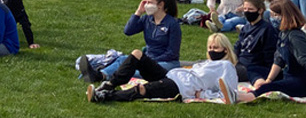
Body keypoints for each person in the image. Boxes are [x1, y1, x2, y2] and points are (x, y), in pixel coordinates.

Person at [86, 33, 237, 104]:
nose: (211, 50)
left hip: (181, 87)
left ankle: (105, 96)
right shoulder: (205, 63)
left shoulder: (227, 66)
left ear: (225, 50)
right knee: (137, 54)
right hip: (171, 75)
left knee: (143, 89)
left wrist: (204, 94)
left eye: (215, 47)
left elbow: (229, 91)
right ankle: (109, 84)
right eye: (209, 47)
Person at [79, 0, 181, 82]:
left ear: (160, 5)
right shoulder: (147, 19)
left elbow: (172, 53)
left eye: (149, 2)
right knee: (122, 60)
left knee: (137, 72)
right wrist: (138, 12)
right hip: (148, 58)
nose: (146, 5)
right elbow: (128, 31)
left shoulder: (172, 24)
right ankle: (101, 75)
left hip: (166, 62)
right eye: (145, 2)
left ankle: (106, 76)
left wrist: (150, 61)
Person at [237, 0, 306, 102]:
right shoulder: (282, 33)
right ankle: (258, 82)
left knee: (270, 87)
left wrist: (268, 84)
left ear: (284, 16)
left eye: (274, 15)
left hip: (300, 79)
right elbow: (278, 60)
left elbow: (304, 60)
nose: (271, 18)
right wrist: (268, 80)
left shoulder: (295, 36)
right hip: (288, 74)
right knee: (253, 68)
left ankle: (248, 97)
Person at [233, 0, 278, 84]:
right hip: (239, 63)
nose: (247, 12)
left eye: (250, 9)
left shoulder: (267, 29)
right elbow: (237, 47)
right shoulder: (245, 28)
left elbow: (269, 54)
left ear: (260, 10)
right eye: (245, 9)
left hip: (253, 67)